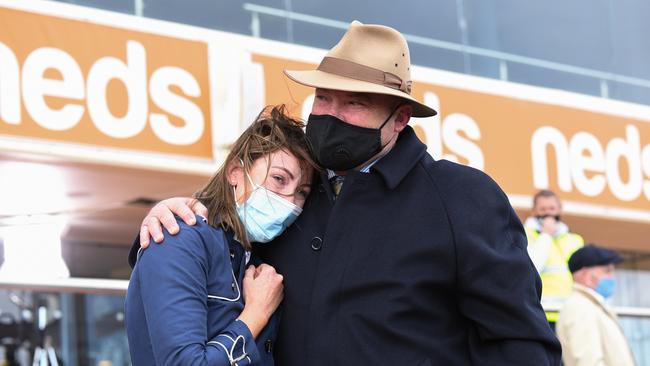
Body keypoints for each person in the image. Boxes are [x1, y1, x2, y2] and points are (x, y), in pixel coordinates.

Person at [130, 21, 561, 365]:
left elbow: (519, 340)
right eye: (323, 97)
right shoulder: (297, 191)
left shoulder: (460, 197)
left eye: (354, 102)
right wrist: (179, 213)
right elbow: (215, 255)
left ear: (399, 118)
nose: (331, 114)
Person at [125, 106, 316, 365]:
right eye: (279, 179)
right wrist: (256, 313)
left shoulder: (255, 257)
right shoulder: (178, 239)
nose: (290, 201)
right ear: (235, 172)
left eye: (302, 192)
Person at [556, 245, 636, 366]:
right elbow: (588, 362)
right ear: (584, 274)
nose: (612, 277)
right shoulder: (579, 307)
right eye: (607, 271)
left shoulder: (591, 306)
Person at [525, 190, 584, 327]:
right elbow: (532, 267)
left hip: (571, 314)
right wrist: (546, 235)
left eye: (552, 208)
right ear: (534, 211)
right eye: (543, 209)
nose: (548, 213)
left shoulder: (574, 239)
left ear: (560, 210)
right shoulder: (525, 235)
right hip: (542, 314)